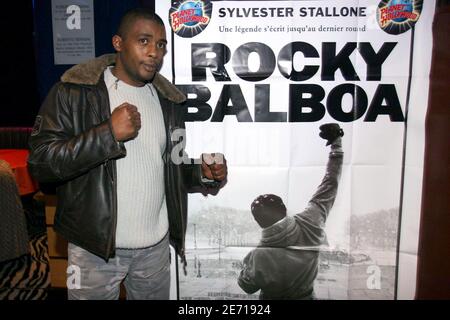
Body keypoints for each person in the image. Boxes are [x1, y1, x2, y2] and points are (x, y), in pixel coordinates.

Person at [28, 8, 227, 300]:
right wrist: (107, 133)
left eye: (160, 45)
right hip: (94, 248)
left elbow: (171, 166)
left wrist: (201, 172)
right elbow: (41, 163)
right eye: (144, 41)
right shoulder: (74, 92)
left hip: (154, 251)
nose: (154, 53)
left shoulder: (169, 102)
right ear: (118, 43)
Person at [237, 123, 344, 300]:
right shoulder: (311, 222)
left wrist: (246, 265)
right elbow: (330, 182)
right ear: (285, 209)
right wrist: (336, 143)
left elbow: (246, 286)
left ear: (257, 221)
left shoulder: (258, 255)